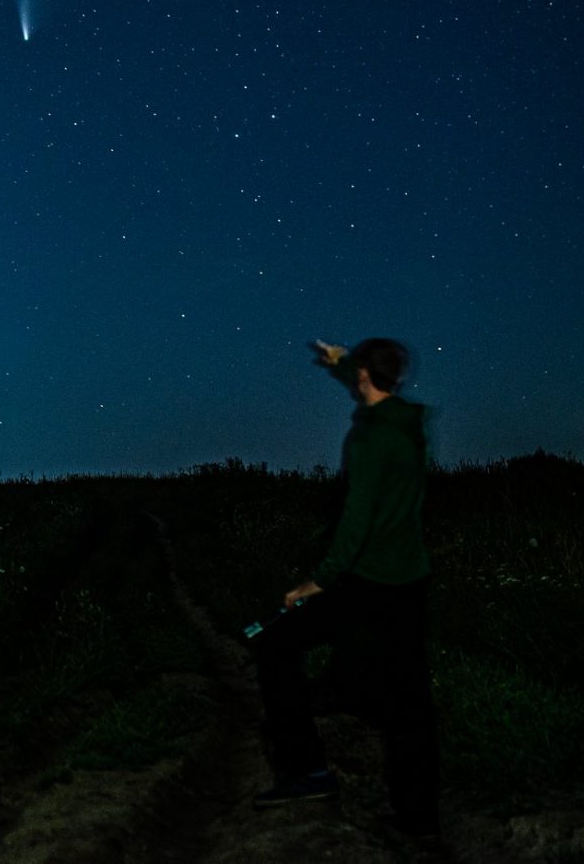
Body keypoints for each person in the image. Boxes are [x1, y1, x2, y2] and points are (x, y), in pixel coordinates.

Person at [251, 337, 441, 841]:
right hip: (409, 578)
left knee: (273, 645)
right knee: (409, 701)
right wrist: (341, 362)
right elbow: (367, 383)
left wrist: (317, 582)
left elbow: (356, 522)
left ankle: (306, 771)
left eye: (356, 370)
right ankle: (419, 821)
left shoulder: (370, 439)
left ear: (364, 377)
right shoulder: (406, 422)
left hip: (367, 581)